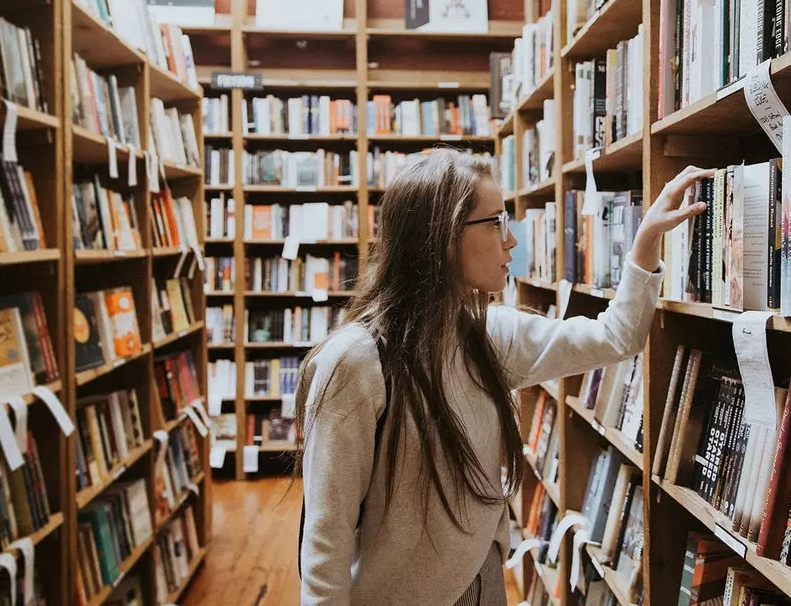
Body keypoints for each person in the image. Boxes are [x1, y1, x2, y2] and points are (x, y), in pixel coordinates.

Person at [295, 148, 709, 606]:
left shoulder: (490, 334)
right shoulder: (355, 362)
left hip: (483, 582)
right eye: (495, 223)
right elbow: (325, 539)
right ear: (442, 237)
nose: (511, 241)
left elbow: (616, 337)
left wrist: (646, 240)